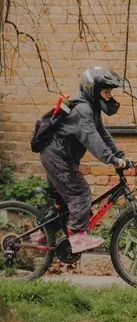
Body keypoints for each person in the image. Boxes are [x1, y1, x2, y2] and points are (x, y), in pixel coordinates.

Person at [38, 67, 131, 253]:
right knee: (80, 194)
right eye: (106, 91)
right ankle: (78, 237)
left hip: (60, 157)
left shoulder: (91, 109)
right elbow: (91, 138)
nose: (109, 96)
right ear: (93, 90)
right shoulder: (82, 109)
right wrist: (110, 159)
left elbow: (102, 134)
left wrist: (119, 155)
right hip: (58, 158)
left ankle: (41, 236)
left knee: (65, 205)